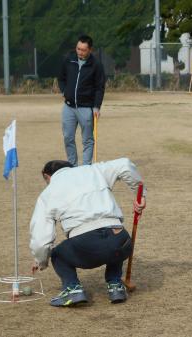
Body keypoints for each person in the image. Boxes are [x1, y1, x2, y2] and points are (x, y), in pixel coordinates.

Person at [29, 158, 147, 307]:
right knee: (114, 241)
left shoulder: (47, 193)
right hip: (122, 240)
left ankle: (73, 289)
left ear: (47, 176)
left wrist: (41, 260)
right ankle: (115, 285)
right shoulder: (94, 170)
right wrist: (140, 195)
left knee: (58, 254)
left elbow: (41, 239)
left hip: (87, 247)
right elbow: (125, 164)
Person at [58, 35, 106, 167]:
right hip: (69, 107)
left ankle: (86, 168)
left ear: (90, 49)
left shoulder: (96, 65)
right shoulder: (69, 59)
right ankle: (72, 166)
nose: (80, 52)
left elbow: (99, 88)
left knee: (88, 140)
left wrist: (96, 107)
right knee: (68, 138)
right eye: (78, 48)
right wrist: (64, 91)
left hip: (86, 108)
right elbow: (61, 78)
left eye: (83, 50)